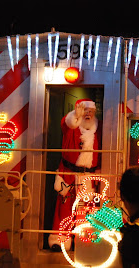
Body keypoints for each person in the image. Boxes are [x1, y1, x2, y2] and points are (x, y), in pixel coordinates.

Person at [49, 98, 102, 251]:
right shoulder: (71, 126)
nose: (88, 114)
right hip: (69, 174)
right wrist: (74, 116)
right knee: (64, 208)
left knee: (87, 209)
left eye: (91, 111)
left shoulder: (99, 128)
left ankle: (83, 240)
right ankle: (59, 241)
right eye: (85, 111)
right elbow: (67, 123)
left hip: (89, 177)